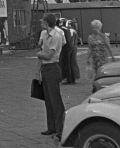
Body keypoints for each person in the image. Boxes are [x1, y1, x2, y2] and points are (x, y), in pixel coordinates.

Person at [36, 13, 66, 144]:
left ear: (47, 23)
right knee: (48, 99)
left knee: (55, 100)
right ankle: (51, 127)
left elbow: (48, 55)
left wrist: (39, 54)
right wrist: (38, 72)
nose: (41, 23)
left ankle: (60, 128)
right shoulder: (46, 35)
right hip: (45, 68)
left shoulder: (56, 36)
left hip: (53, 68)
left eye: (43, 22)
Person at [57, 19, 73, 84]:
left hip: (65, 48)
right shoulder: (67, 30)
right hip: (69, 47)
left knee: (65, 63)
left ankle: (66, 78)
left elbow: (63, 41)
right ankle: (70, 78)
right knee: (69, 63)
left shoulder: (61, 30)